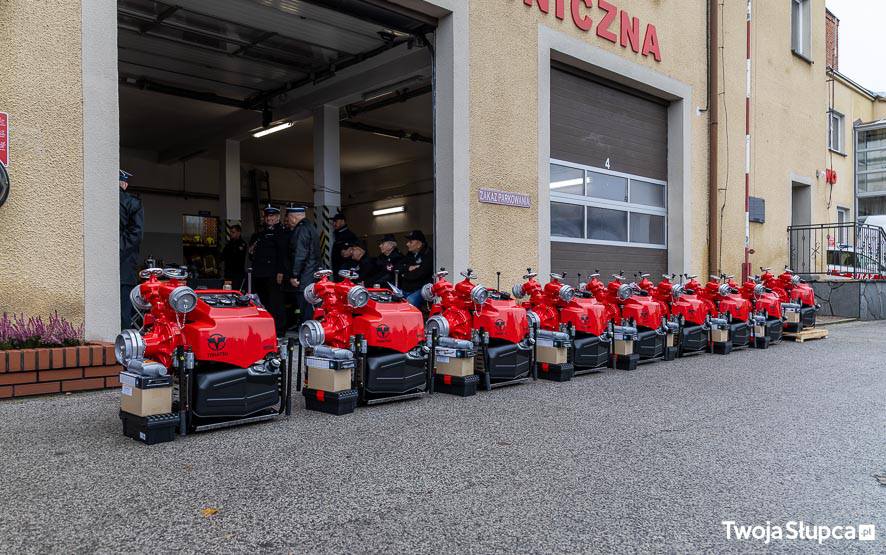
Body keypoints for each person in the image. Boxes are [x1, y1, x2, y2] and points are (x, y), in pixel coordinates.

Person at [249, 205, 287, 336]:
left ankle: (279, 329)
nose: (269, 218)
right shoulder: (260, 234)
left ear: (277, 217)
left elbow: (283, 254)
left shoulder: (281, 232)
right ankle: (267, 327)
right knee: (263, 302)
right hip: (259, 273)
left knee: (275, 302)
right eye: (267, 216)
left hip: (273, 273)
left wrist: (280, 271)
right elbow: (253, 254)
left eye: (272, 216)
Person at [119, 170, 144, 330]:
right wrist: (119, 250)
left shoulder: (99, 200)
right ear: (124, 184)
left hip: (100, 267)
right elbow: (136, 234)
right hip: (125, 266)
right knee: (123, 313)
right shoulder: (132, 203)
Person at [288, 205, 320, 326]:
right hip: (313, 274)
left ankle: (307, 331)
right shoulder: (311, 227)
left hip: (305, 276)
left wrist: (295, 275)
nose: (289, 221)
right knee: (312, 305)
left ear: (293, 218)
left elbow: (300, 254)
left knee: (305, 307)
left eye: (289, 218)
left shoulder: (301, 229)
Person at [400, 229, 433, 307]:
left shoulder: (428, 254)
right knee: (395, 299)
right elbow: (398, 267)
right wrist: (408, 267)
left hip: (420, 288)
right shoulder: (410, 254)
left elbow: (421, 273)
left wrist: (404, 275)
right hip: (407, 287)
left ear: (419, 244)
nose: (407, 244)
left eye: (411, 242)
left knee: (410, 301)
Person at [331, 211, 357, 278]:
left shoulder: (349, 235)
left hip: (345, 270)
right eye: (333, 221)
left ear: (343, 221)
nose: (334, 223)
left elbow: (348, 254)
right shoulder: (338, 235)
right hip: (337, 269)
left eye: (336, 221)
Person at [221, 224, 247, 290]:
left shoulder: (242, 244)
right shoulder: (228, 244)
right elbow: (223, 256)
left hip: (238, 274)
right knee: (227, 291)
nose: (231, 234)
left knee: (236, 291)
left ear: (238, 233)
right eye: (230, 232)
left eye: (233, 232)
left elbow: (237, 257)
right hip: (228, 273)